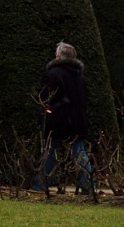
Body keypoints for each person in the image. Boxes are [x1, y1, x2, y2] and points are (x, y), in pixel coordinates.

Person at [36, 41, 92, 193]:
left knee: (49, 152)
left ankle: (42, 184)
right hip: (77, 119)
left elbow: (44, 95)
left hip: (58, 119)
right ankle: (88, 185)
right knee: (79, 152)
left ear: (58, 56)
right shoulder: (78, 76)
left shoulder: (54, 73)